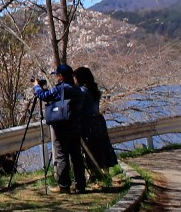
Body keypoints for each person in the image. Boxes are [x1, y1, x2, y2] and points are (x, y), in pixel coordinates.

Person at [34, 63, 87, 192]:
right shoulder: (77, 89)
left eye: (57, 75)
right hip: (75, 127)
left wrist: (37, 87)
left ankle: (64, 185)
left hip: (62, 127)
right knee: (76, 156)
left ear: (61, 76)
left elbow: (44, 96)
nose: (56, 77)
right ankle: (80, 184)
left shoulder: (62, 89)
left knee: (62, 155)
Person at [73, 66, 118, 182]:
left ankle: (92, 174)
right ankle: (105, 172)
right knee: (102, 145)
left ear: (80, 78)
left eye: (75, 78)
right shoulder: (94, 89)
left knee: (90, 147)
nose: (74, 80)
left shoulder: (83, 91)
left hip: (88, 123)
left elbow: (78, 107)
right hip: (98, 120)